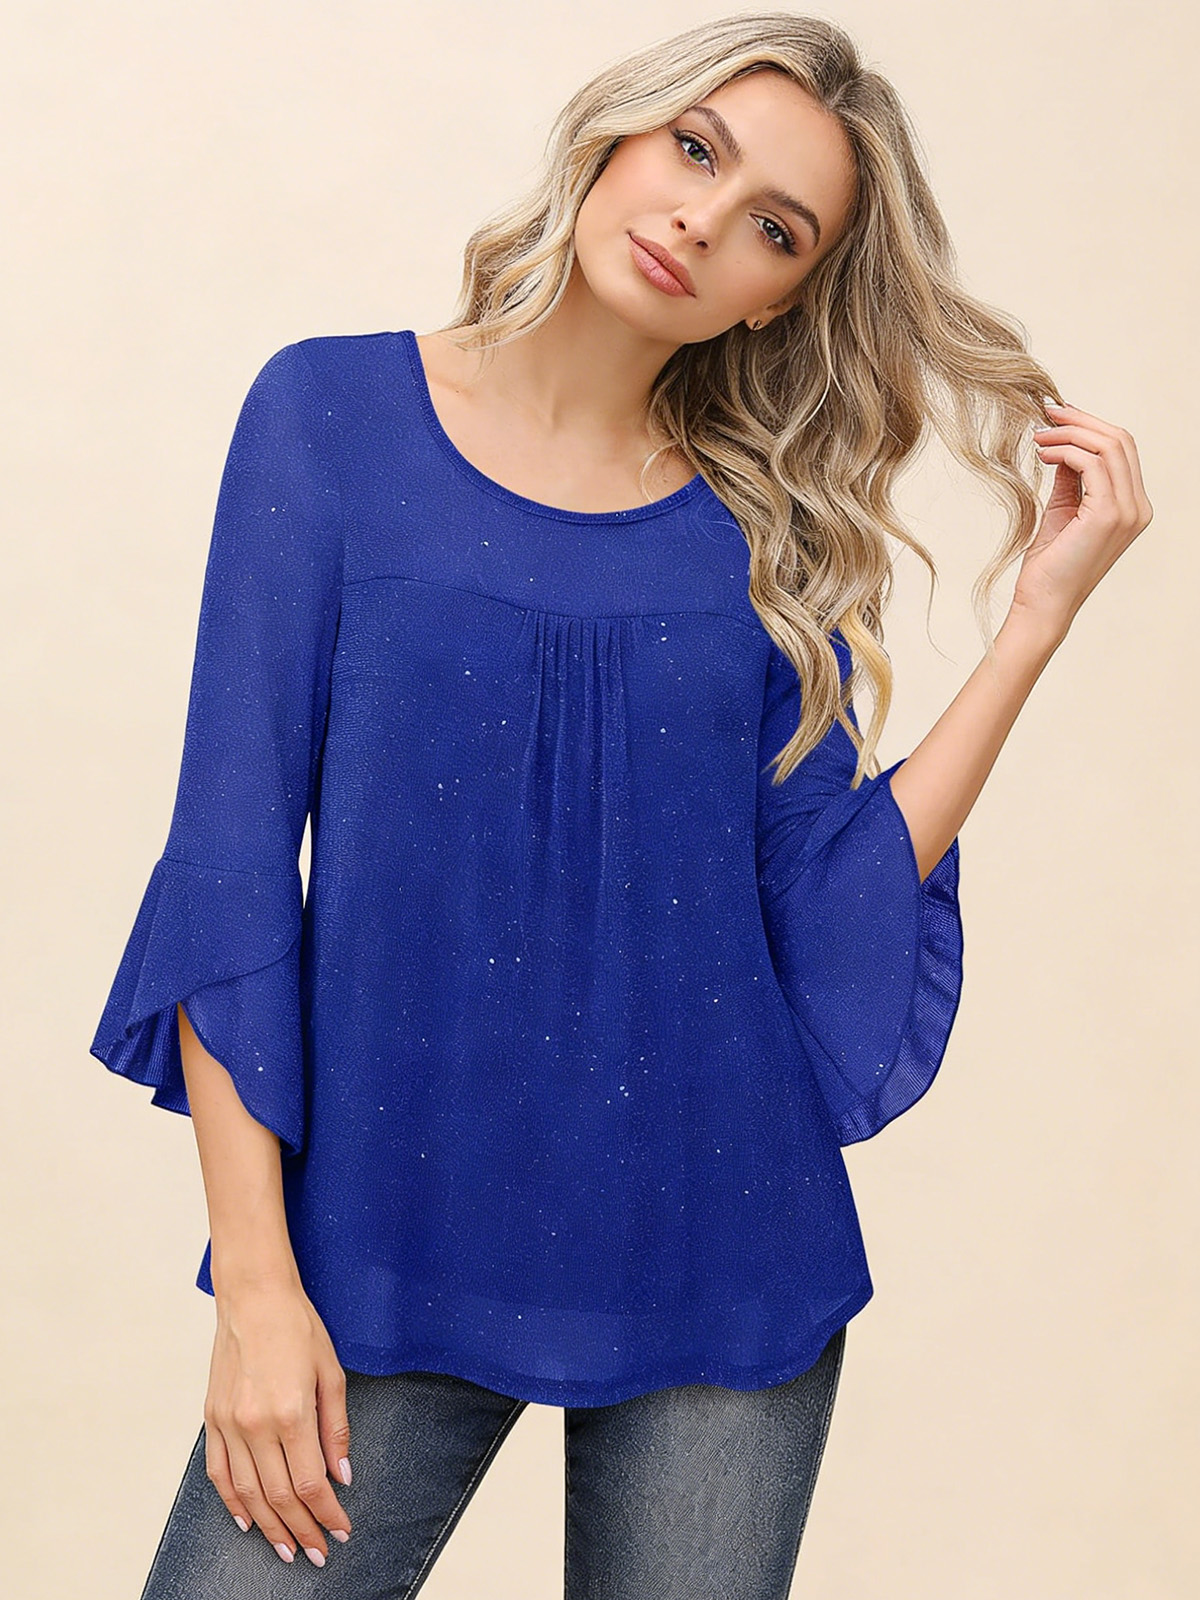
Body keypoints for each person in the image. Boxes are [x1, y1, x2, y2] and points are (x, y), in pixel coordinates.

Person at [89, 12, 1152, 1598]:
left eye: (773, 227)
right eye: (695, 151)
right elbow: (230, 868)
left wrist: (1036, 623)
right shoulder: (327, 418)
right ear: (618, 135)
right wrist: (256, 1287)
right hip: (385, 1236)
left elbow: (828, 910)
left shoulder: (757, 540)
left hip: (721, 1252)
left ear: (781, 293)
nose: (702, 220)